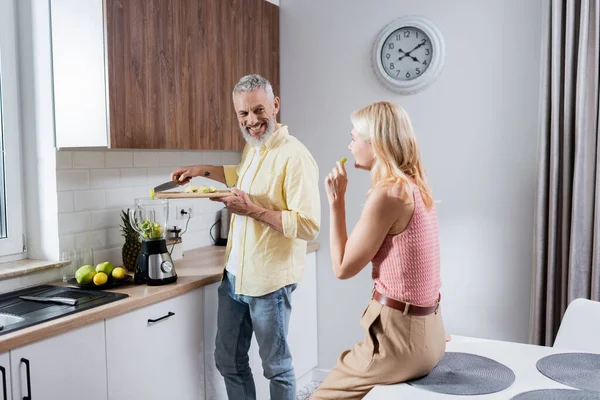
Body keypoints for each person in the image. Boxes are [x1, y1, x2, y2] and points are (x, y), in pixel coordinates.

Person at [171, 74, 320, 400]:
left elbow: (308, 225)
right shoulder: (255, 149)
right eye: (243, 114)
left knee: (276, 368)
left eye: (258, 110)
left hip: (270, 284)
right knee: (228, 361)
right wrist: (202, 169)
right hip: (235, 278)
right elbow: (239, 175)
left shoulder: (296, 157)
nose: (252, 121)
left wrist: (251, 210)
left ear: (275, 105)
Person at [311, 101, 446, 399]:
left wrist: (336, 202)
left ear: (377, 144)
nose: (350, 145)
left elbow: (342, 268)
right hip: (431, 334)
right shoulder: (414, 186)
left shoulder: (388, 193)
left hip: (399, 343)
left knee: (320, 396)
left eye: (354, 138)